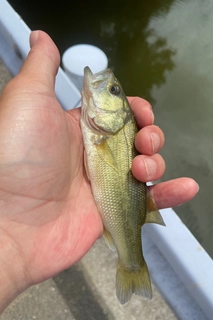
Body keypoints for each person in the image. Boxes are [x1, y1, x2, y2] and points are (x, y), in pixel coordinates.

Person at [0, 31, 198, 313]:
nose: (108, 85)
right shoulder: (101, 130)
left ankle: (132, 264)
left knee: (144, 161)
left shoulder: (107, 130)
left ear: (118, 115)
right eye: (114, 90)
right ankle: (132, 265)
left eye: (113, 91)